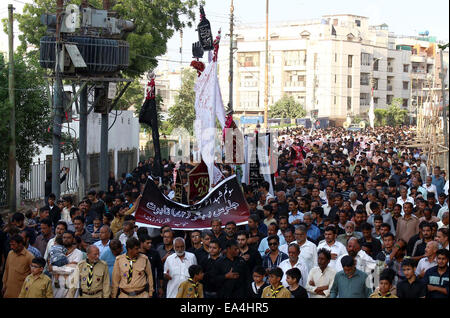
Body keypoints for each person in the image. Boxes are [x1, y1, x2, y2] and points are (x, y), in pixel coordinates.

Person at [50, 230, 83, 298]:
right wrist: (66, 267)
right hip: (57, 288)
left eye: (68, 237)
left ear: (73, 239)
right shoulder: (56, 251)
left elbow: (72, 269)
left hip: (71, 288)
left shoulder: (78, 253)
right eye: (64, 237)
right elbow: (50, 268)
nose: (66, 239)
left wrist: (54, 268)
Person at [139, 233, 164, 298]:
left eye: (150, 243)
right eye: (147, 243)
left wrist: (160, 287)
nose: (150, 245)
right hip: (138, 287)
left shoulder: (154, 253)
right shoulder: (136, 254)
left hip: (152, 287)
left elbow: (160, 271)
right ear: (141, 243)